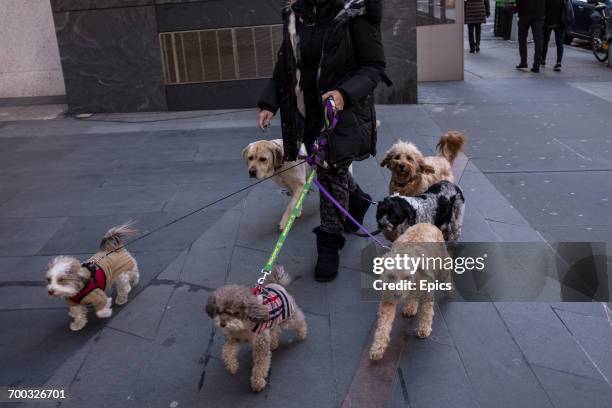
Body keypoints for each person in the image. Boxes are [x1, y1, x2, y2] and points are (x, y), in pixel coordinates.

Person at [257, 0, 389, 282]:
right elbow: (284, 64)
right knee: (327, 168)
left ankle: (329, 244)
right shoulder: (296, 15)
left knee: (332, 168)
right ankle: (358, 199)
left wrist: (344, 94)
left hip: (343, 111)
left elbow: (374, 66)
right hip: (305, 114)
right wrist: (269, 102)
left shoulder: (355, 11)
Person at [515, 0, 546, 73]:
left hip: (525, 13)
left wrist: (515, 9)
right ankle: (536, 65)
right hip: (539, 14)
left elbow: (519, 2)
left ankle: (523, 62)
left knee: (522, 37)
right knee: (538, 40)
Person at [542, 0, 565, 71]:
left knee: (545, 41)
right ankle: (559, 62)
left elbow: (544, 7)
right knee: (559, 42)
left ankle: (543, 59)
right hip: (561, 21)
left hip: (548, 21)